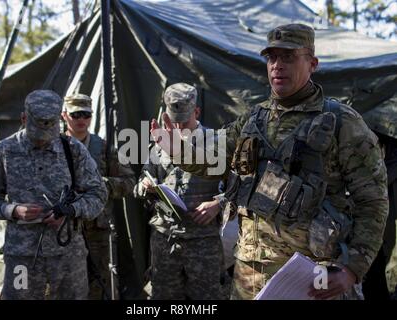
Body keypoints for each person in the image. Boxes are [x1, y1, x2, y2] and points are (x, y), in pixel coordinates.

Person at [151, 24, 389, 300]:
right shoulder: (253, 119)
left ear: (312, 63)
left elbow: (373, 200)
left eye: (288, 57)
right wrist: (177, 151)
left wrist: (352, 269)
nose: (277, 65)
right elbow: (210, 158)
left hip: (310, 279)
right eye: (272, 57)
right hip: (248, 277)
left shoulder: (342, 123)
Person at [0, 89, 108, 300]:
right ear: (24, 118)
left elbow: (98, 194)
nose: (42, 141)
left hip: (67, 255)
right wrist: (13, 210)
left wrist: (70, 210)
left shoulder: (73, 150)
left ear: (58, 120)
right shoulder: (5, 151)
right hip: (23, 256)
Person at [134, 83, 225, 300]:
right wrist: (146, 187)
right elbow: (138, 185)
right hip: (165, 239)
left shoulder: (218, 142)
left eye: (184, 120)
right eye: (175, 121)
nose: (179, 125)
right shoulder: (159, 145)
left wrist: (218, 203)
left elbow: (240, 186)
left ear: (197, 112)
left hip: (203, 241)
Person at [61, 93, 136, 300]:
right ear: (64, 115)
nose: (82, 120)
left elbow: (130, 183)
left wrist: (101, 185)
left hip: (97, 232)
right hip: (62, 229)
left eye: (86, 114)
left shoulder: (103, 147)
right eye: (76, 114)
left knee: (99, 285)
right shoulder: (54, 147)